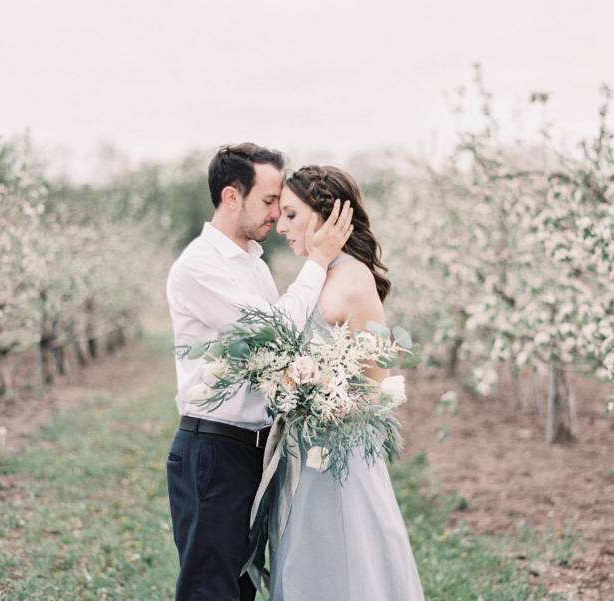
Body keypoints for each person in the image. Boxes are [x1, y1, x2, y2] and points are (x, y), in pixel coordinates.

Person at [165, 143, 353, 601]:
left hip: (253, 450)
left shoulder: (253, 262)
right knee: (212, 588)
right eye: (269, 201)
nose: (276, 213)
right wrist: (317, 261)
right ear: (232, 197)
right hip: (214, 450)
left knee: (243, 583)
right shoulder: (199, 267)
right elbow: (271, 334)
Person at [266, 164, 426, 600]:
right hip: (303, 449)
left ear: (327, 217)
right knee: (305, 565)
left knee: (345, 566)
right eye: (280, 215)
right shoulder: (318, 276)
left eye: (292, 215)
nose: (281, 226)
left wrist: (327, 401)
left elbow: (379, 385)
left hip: (340, 456)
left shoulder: (354, 280)